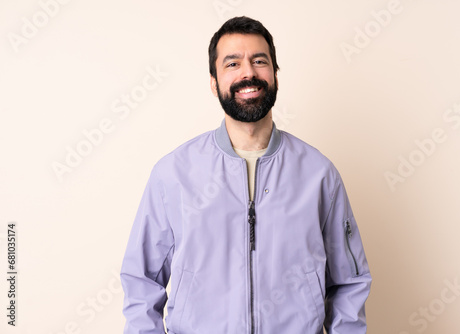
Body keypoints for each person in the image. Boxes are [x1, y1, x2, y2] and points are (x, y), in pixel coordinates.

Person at [120, 16, 372, 334]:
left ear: (275, 75)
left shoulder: (319, 174)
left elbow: (350, 282)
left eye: (259, 61)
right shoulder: (173, 174)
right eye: (232, 63)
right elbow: (141, 280)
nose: (248, 72)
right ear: (214, 82)